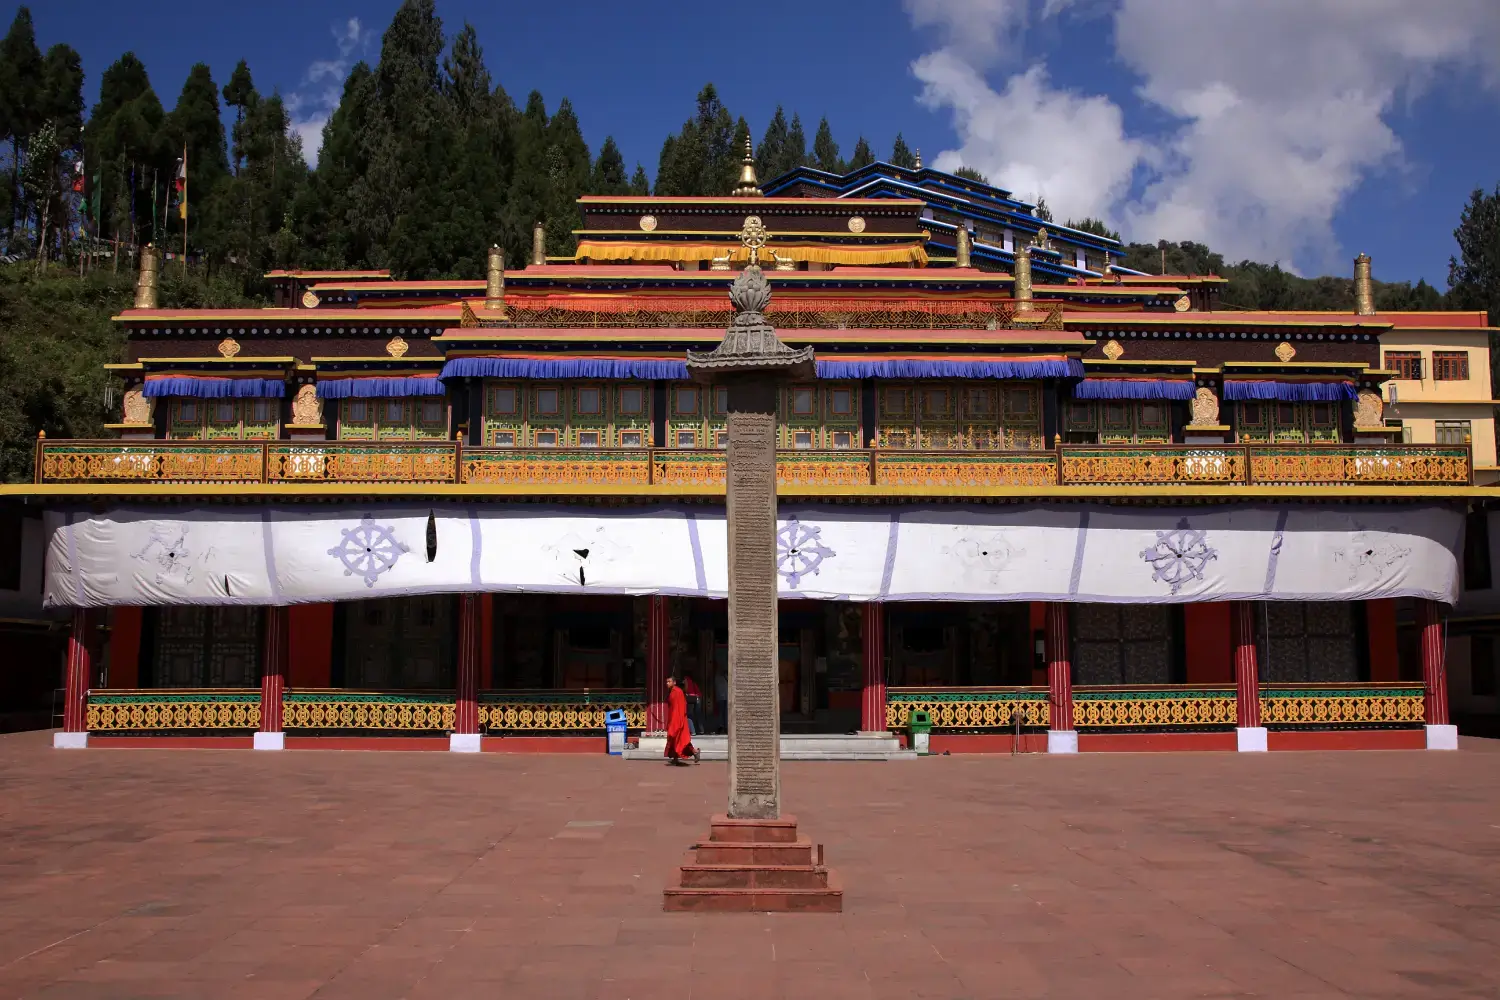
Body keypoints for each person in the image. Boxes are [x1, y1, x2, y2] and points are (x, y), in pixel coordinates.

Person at [664, 675, 699, 766]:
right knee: (676, 739)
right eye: (667, 682)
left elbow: (680, 707)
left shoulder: (678, 692)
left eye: (669, 682)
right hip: (674, 718)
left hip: (678, 719)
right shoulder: (672, 691)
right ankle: (676, 758)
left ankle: (695, 752)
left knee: (681, 740)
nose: (667, 683)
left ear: (674, 682)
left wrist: (678, 721)